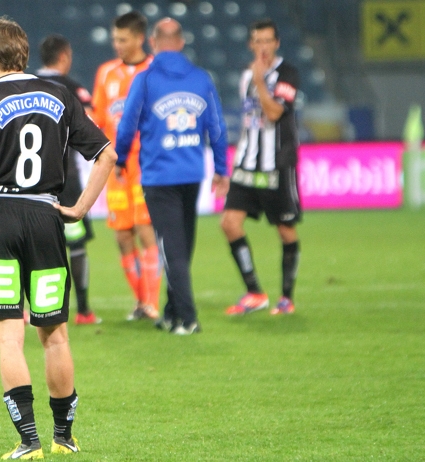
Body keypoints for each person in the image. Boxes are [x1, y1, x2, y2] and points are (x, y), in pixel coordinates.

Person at [0, 17, 116, 460]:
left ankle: (29, 442)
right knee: (54, 335)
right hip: (46, 216)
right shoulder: (60, 96)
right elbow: (106, 154)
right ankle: (64, 437)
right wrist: (78, 208)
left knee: (8, 337)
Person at [115, 18, 230, 334]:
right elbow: (217, 129)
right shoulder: (201, 78)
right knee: (182, 246)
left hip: (159, 176)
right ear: (180, 42)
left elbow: (126, 126)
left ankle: (188, 319)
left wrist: (120, 159)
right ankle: (171, 312)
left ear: (153, 42)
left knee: (172, 248)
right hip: (192, 174)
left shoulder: (146, 79)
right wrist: (221, 169)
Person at [221, 18, 301, 316]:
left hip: (276, 164)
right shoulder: (246, 74)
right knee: (229, 224)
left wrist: (259, 82)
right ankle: (255, 292)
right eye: (258, 41)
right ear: (251, 45)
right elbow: (248, 119)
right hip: (247, 162)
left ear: (277, 43)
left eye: (269, 41)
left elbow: (274, 112)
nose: (264, 47)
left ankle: (286, 298)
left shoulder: (287, 74)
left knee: (285, 229)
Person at [91, 11, 162, 322]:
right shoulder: (106, 73)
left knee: (146, 229)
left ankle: (152, 302)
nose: (116, 44)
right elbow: (100, 117)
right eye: (114, 39)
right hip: (116, 166)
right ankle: (140, 301)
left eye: (122, 39)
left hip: (147, 164)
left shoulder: (156, 71)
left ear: (139, 39)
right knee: (122, 236)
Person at [35, 34, 101, 325]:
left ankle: (32, 308)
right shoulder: (73, 88)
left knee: (35, 244)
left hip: (32, 181)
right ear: (64, 56)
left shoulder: (26, 85)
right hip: (67, 180)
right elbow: (91, 128)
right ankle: (84, 310)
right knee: (75, 243)